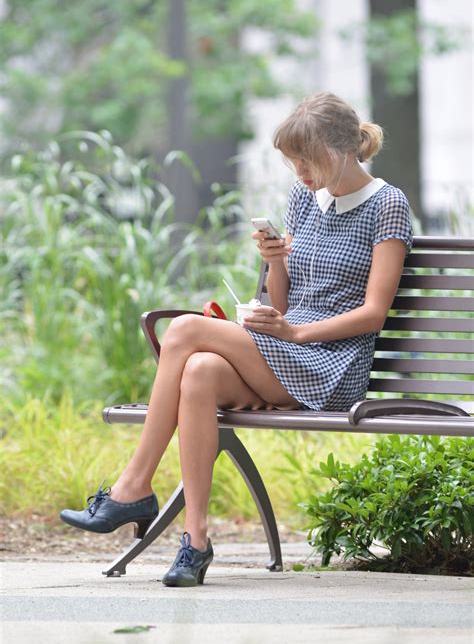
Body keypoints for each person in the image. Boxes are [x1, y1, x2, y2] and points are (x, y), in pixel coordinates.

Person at [60, 91, 413, 587]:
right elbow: (284, 303)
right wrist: (274, 261)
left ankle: (133, 488)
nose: (299, 173)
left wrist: (294, 332)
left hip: (331, 365)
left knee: (183, 328)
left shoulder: (388, 205)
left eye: (306, 161)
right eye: (292, 163)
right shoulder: (305, 198)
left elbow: (373, 315)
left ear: (341, 151)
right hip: (286, 347)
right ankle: (196, 541)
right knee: (200, 371)